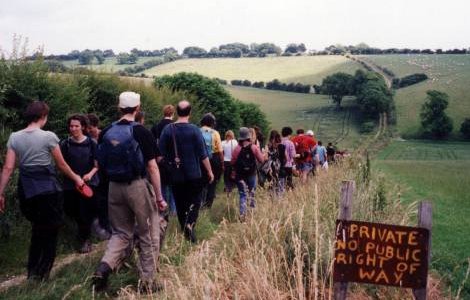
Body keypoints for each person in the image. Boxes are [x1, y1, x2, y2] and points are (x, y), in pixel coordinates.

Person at [0, 101, 84, 281]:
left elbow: (8, 168)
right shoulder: (49, 137)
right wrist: (77, 178)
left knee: (37, 229)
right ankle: (43, 274)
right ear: (43, 117)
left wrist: (0, 193)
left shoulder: (15, 137)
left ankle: (32, 272)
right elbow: (61, 165)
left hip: (27, 191)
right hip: (48, 191)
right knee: (51, 231)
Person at [92, 91, 166, 292]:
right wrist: (159, 196)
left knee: (120, 233)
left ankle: (103, 268)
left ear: (119, 108)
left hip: (113, 187)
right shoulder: (141, 132)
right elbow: (152, 167)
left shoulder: (106, 131)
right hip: (137, 186)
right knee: (147, 234)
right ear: (138, 108)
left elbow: (99, 162)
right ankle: (148, 283)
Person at [158, 100, 214, 243]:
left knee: (180, 203)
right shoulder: (195, 130)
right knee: (195, 201)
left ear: (176, 111)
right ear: (190, 112)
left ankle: (185, 230)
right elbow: (203, 155)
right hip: (193, 174)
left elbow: (159, 155)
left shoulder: (167, 130)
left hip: (175, 175)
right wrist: (209, 171)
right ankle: (190, 225)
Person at [60, 114, 99, 253]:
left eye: (76, 126)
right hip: (70, 185)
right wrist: (74, 177)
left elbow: (97, 165)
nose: (73, 128)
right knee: (71, 211)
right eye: (71, 126)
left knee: (85, 212)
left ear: (83, 127)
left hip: (88, 183)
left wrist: (89, 174)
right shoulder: (65, 144)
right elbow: (62, 165)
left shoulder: (92, 143)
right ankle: (81, 234)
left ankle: (85, 240)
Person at [231, 127, 265, 221]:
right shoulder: (254, 147)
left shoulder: (237, 149)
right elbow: (261, 160)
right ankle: (252, 214)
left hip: (240, 175)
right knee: (252, 193)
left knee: (242, 194)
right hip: (251, 174)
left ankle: (242, 215)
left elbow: (232, 162)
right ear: (248, 136)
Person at [86, 113, 111, 240]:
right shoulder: (86, 139)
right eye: (87, 128)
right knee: (98, 201)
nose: (89, 130)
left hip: (106, 173)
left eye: (91, 127)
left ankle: (108, 226)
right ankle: (101, 227)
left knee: (107, 200)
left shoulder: (105, 136)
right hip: (93, 174)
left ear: (96, 126)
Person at [151, 105, 176, 214]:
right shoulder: (175, 127)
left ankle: (163, 211)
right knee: (173, 188)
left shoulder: (156, 126)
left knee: (162, 186)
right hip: (172, 160)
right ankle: (173, 211)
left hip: (159, 160)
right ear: (173, 113)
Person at [200, 113, 223, 209]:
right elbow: (220, 150)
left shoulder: (198, 131)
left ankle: (200, 201)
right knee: (212, 181)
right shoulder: (215, 133)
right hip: (214, 158)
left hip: (200, 159)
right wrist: (222, 163)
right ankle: (208, 204)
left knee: (201, 181)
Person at [264, 130, 287, 197]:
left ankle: (272, 203)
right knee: (281, 188)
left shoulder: (268, 146)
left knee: (271, 187)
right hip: (281, 170)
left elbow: (265, 158)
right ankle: (279, 203)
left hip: (271, 170)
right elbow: (286, 158)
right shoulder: (282, 146)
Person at [221, 130, 238, 196]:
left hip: (225, 161)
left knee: (226, 176)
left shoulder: (223, 143)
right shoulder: (235, 142)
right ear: (232, 135)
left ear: (226, 135)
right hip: (233, 161)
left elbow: (222, 153)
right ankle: (231, 189)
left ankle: (227, 188)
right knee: (232, 175)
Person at [280, 127, 296, 191]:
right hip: (288, 165)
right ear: (289, 134)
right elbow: (293, 155)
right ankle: (288, 194)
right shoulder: (290, 143)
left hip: (280, 165)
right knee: (289, 181)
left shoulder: (279, 142)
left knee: (281, 181)